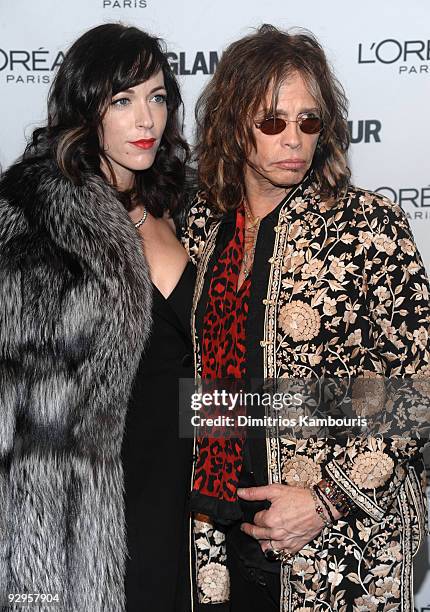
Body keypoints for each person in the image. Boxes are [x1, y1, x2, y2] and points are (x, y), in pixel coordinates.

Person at [182, 24, 430, 611]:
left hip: (338, 549)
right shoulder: (200, 227)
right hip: (219, 536)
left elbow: (417, 388)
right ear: (233, 125)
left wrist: (325, 499)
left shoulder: (370, 228)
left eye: (309, 121)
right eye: (272, 121)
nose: (293, 138)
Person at [0, 23, 194, 611]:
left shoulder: (185, 204)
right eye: (122, 100)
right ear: (85, 106)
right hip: (89, 519)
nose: (146, 121)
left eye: (157, 97)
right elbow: (17, 413)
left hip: (191, 501)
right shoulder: (36, 217)